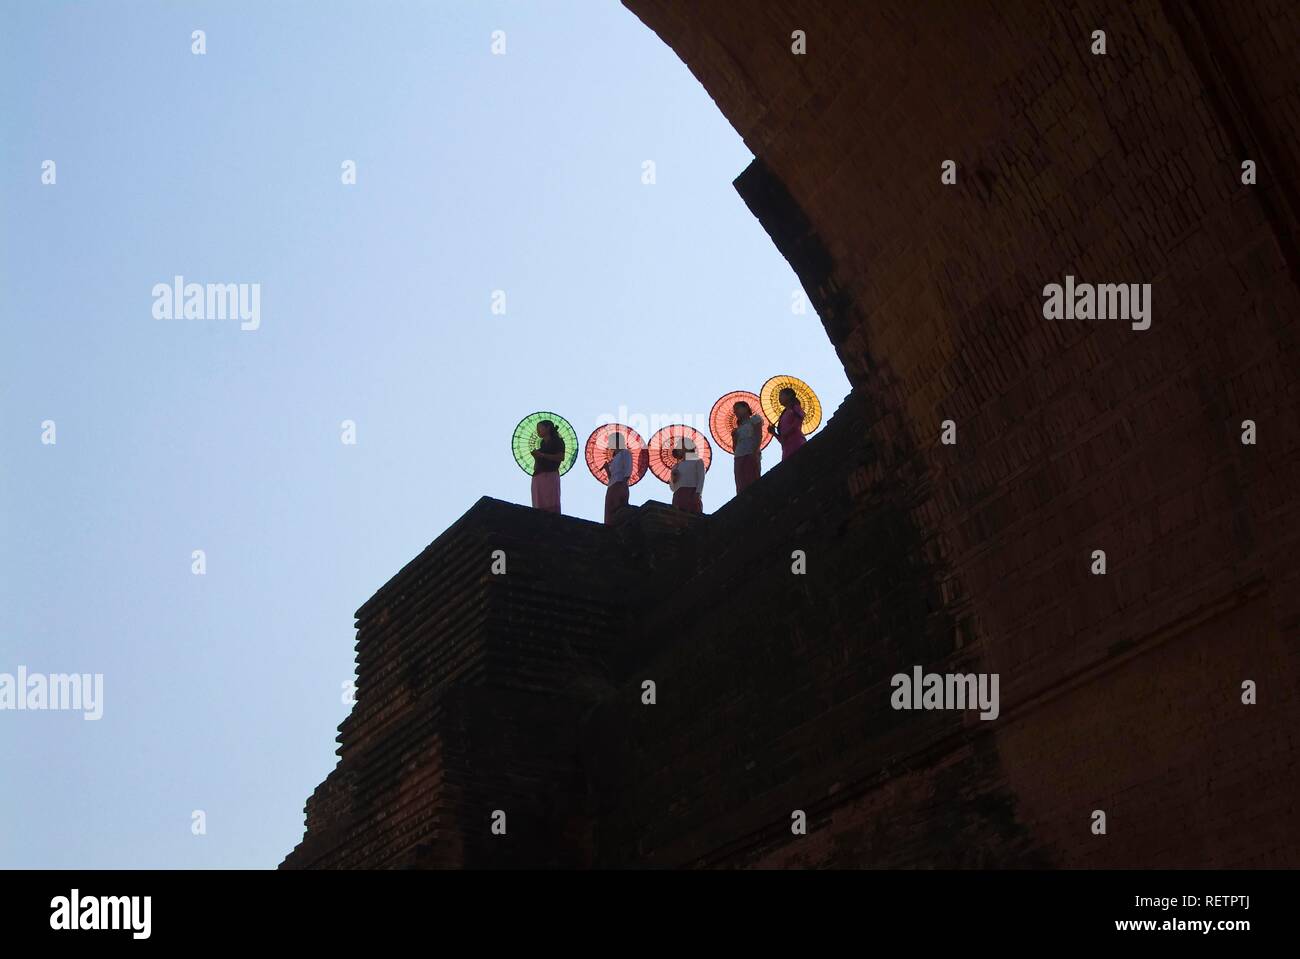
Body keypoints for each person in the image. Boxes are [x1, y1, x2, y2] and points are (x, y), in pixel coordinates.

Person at [530, 420, 565, 513]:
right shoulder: (542, 444)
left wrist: (542, 455)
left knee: (551, 503)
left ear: (548, 428)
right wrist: (536, 457)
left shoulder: (558, 441)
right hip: (538, 476)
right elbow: (536, 466)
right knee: (538, 503)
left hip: (550, 474)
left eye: (539, 428)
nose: (538, 431)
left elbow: (561, 457)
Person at [730, 400, 763, 494]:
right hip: (739, 455)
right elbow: (734, 448)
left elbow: (758, 435)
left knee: (752, 477)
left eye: (737, 408)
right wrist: (734, 437)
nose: (735, 411)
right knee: (741, 480)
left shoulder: (755, 420)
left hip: (751, 452)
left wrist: (755, 450)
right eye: (734, 410)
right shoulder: (737, 429)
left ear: (746, 408)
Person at [602, 431, 632, 524]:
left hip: (620, 484)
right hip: (611, 486)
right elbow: (611, 477)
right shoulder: (613, 459)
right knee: (609, 513)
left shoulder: (625, 453)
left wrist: (623, 484)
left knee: (618, 511)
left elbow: (628, 469)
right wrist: (607, 469)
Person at [769, 387, 807, 461]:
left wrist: (786, 433)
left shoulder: (796, 408)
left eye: (781, 395)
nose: (779, 398)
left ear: (789, 395)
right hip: (786, 448)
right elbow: (782, 440)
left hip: (797, 442)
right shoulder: (782, 415)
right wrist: (774, 433)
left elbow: (797, 424)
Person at [669, 437, 705, 513]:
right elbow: (672, 488)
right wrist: (674, 478)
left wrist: (698, 493)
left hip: (692, 493)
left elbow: (701, 478)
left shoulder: (697, 461)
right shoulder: (676, 467)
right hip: (678, 495)